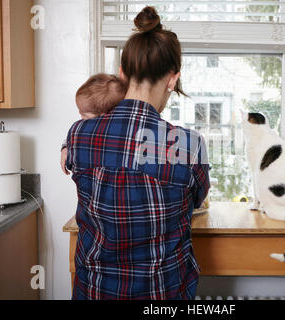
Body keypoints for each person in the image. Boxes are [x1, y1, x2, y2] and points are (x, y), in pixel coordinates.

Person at [64, 6, 210, 300]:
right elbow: (197, 201)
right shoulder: (189, 145)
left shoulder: (78, 134)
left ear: (122, 73)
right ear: (172, 79)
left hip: (95, 292)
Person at [61, 73, 126, 175]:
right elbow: (73, 140)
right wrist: (66, 147)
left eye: (84, 113)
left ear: (103, 116)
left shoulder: (118, 131)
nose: (80, 114)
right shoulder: (83, 129)